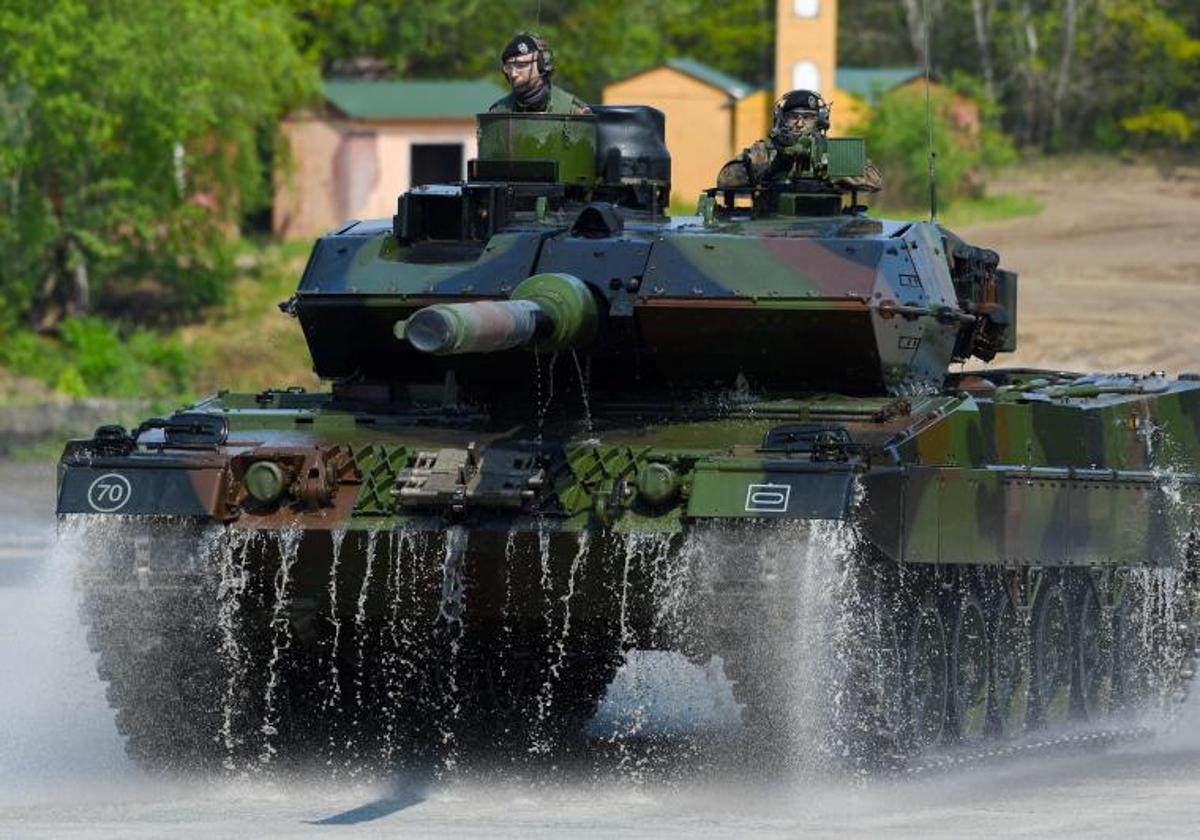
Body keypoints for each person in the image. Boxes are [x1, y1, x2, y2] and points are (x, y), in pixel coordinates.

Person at [716, 89, 882, 193]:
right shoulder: (766, 149)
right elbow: (724, 180)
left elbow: (874, 181)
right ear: (781, 119)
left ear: (820, 120)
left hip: (825, 222)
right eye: (793, 117)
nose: (800, 123)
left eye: (808, 117)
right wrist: (769, 167)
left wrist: (829, 168)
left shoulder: (833, 150)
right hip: (774, 222)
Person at [489, 32, 591, 115]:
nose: (513, 74)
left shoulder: (573, 111)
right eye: (509, 67)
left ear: (541, 64)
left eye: (521, 65)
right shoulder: (498, 113)